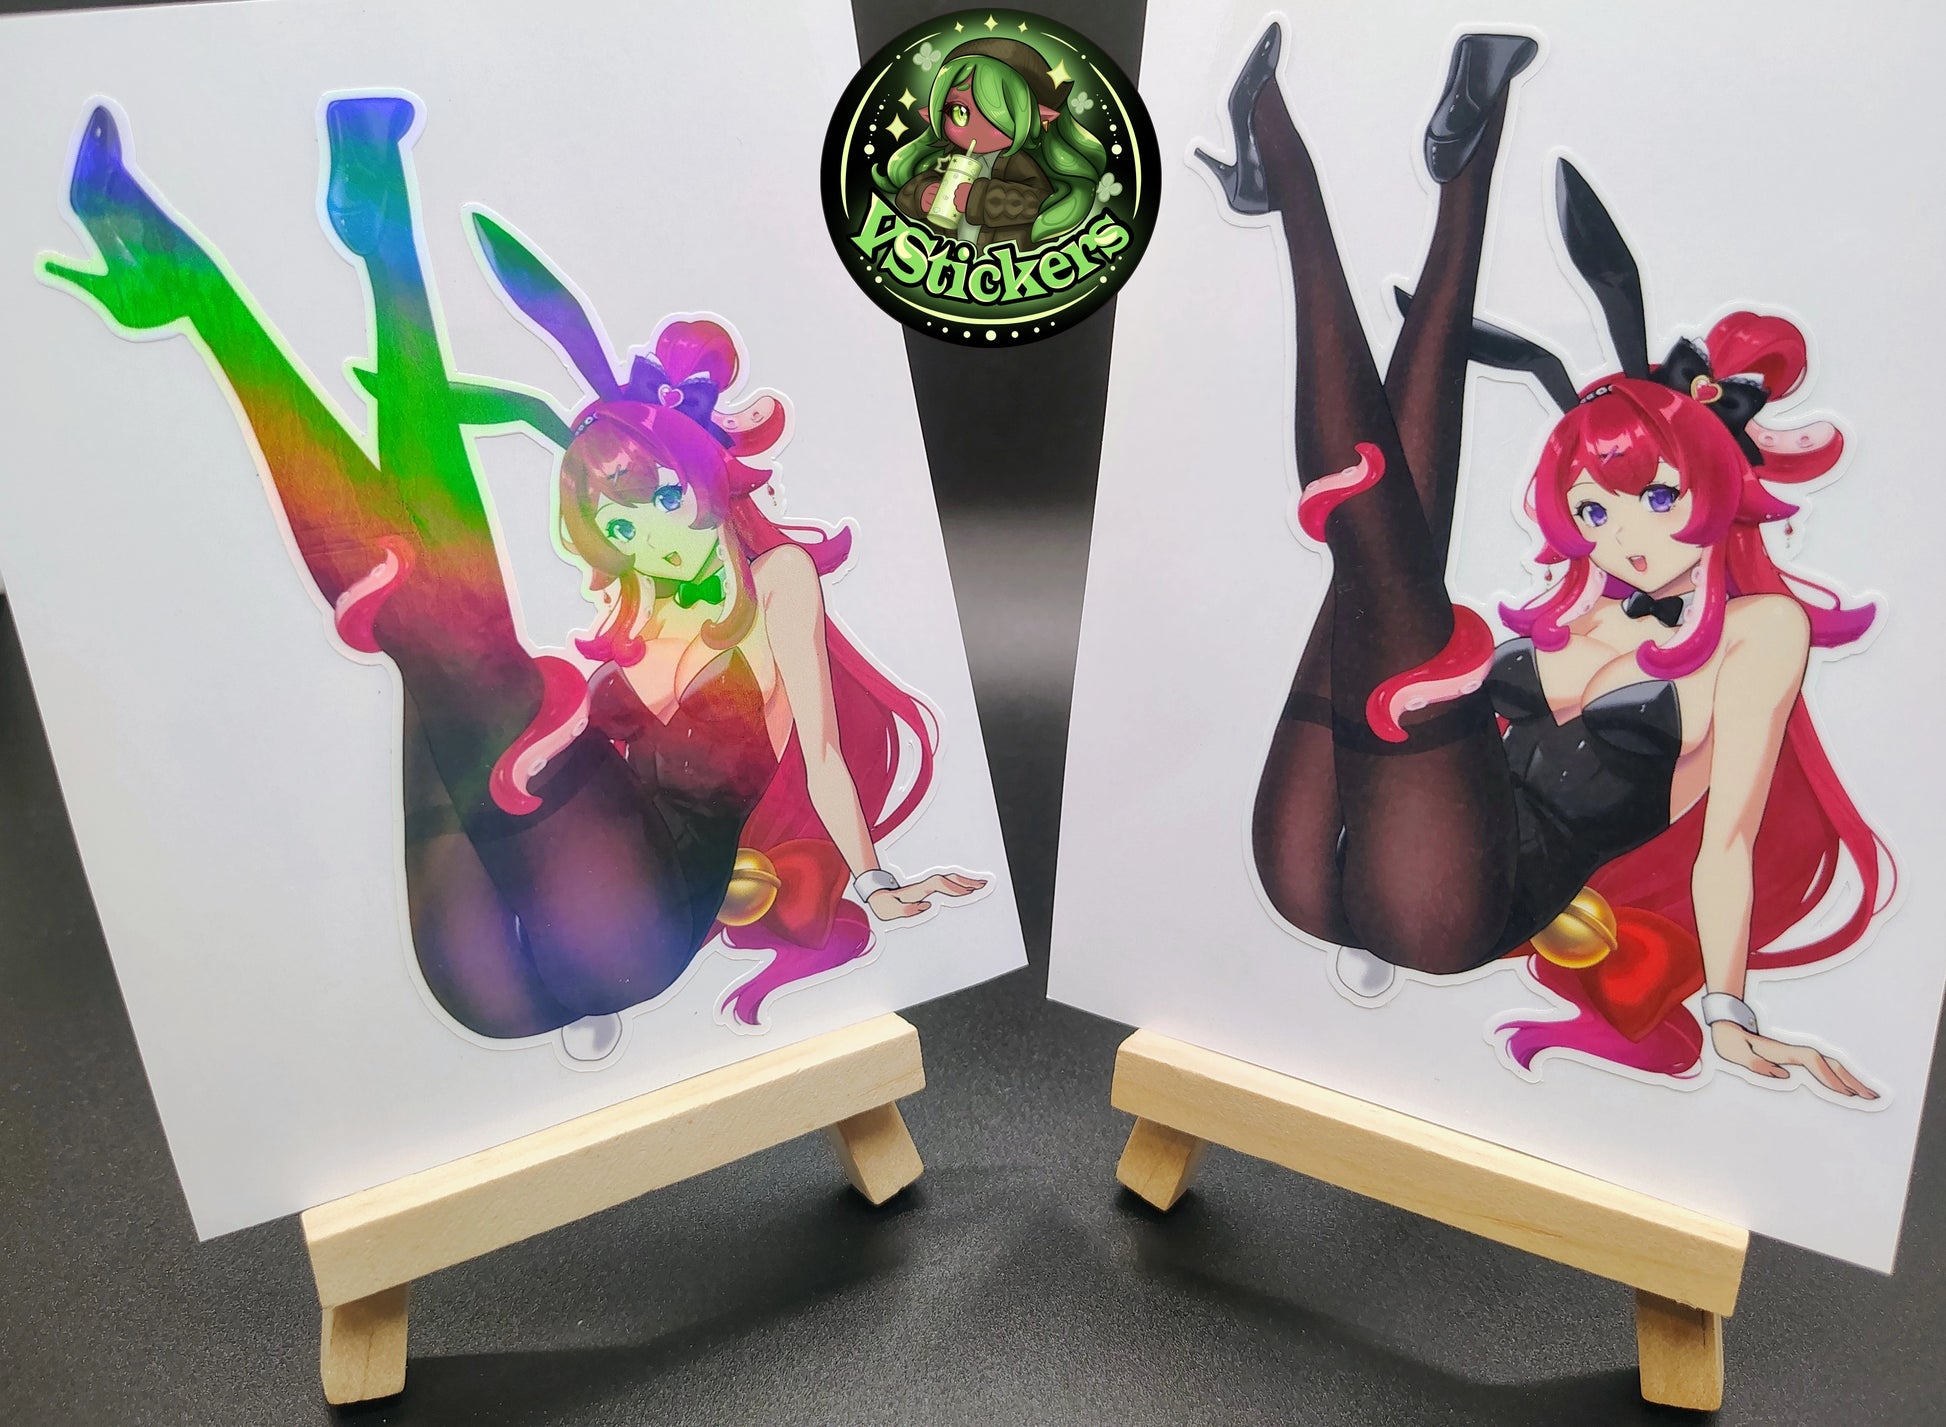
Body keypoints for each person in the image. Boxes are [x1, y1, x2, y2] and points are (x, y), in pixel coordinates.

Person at [46, 97, 984, 1062]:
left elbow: (820, 754)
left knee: (443, 623)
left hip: (636, 926)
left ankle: (276, 270)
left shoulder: (776, 580)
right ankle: (299, 263)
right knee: (430, 625)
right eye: (619, 526)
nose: (651, 537)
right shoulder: (640, 603)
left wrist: (877, 884)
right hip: (492, 971)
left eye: (663, 498)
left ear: (706, 477)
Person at [1200, 25, 1888, 1092]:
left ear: (1715, 485)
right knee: (1388, 551)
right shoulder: (1582, 606)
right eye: (1594, 510)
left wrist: (1730, 1012)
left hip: (1454, 903)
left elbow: (1727, 842)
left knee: (1383, 559)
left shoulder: (1761, 633)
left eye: (1654, 498)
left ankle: (1293, 174)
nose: (1623, 536)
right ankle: (1440, 163)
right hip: (1321, 850)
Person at [880, 37, 1107, 252]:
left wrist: (978, 198)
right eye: (958, 112)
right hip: (947, 258)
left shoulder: (1018, 163)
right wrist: (922, 194)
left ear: (1036, 119)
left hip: (1004, 261)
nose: (974, 129)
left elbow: (1035, 202)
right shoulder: (948, 158)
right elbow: (912, 189)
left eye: (997, 116)